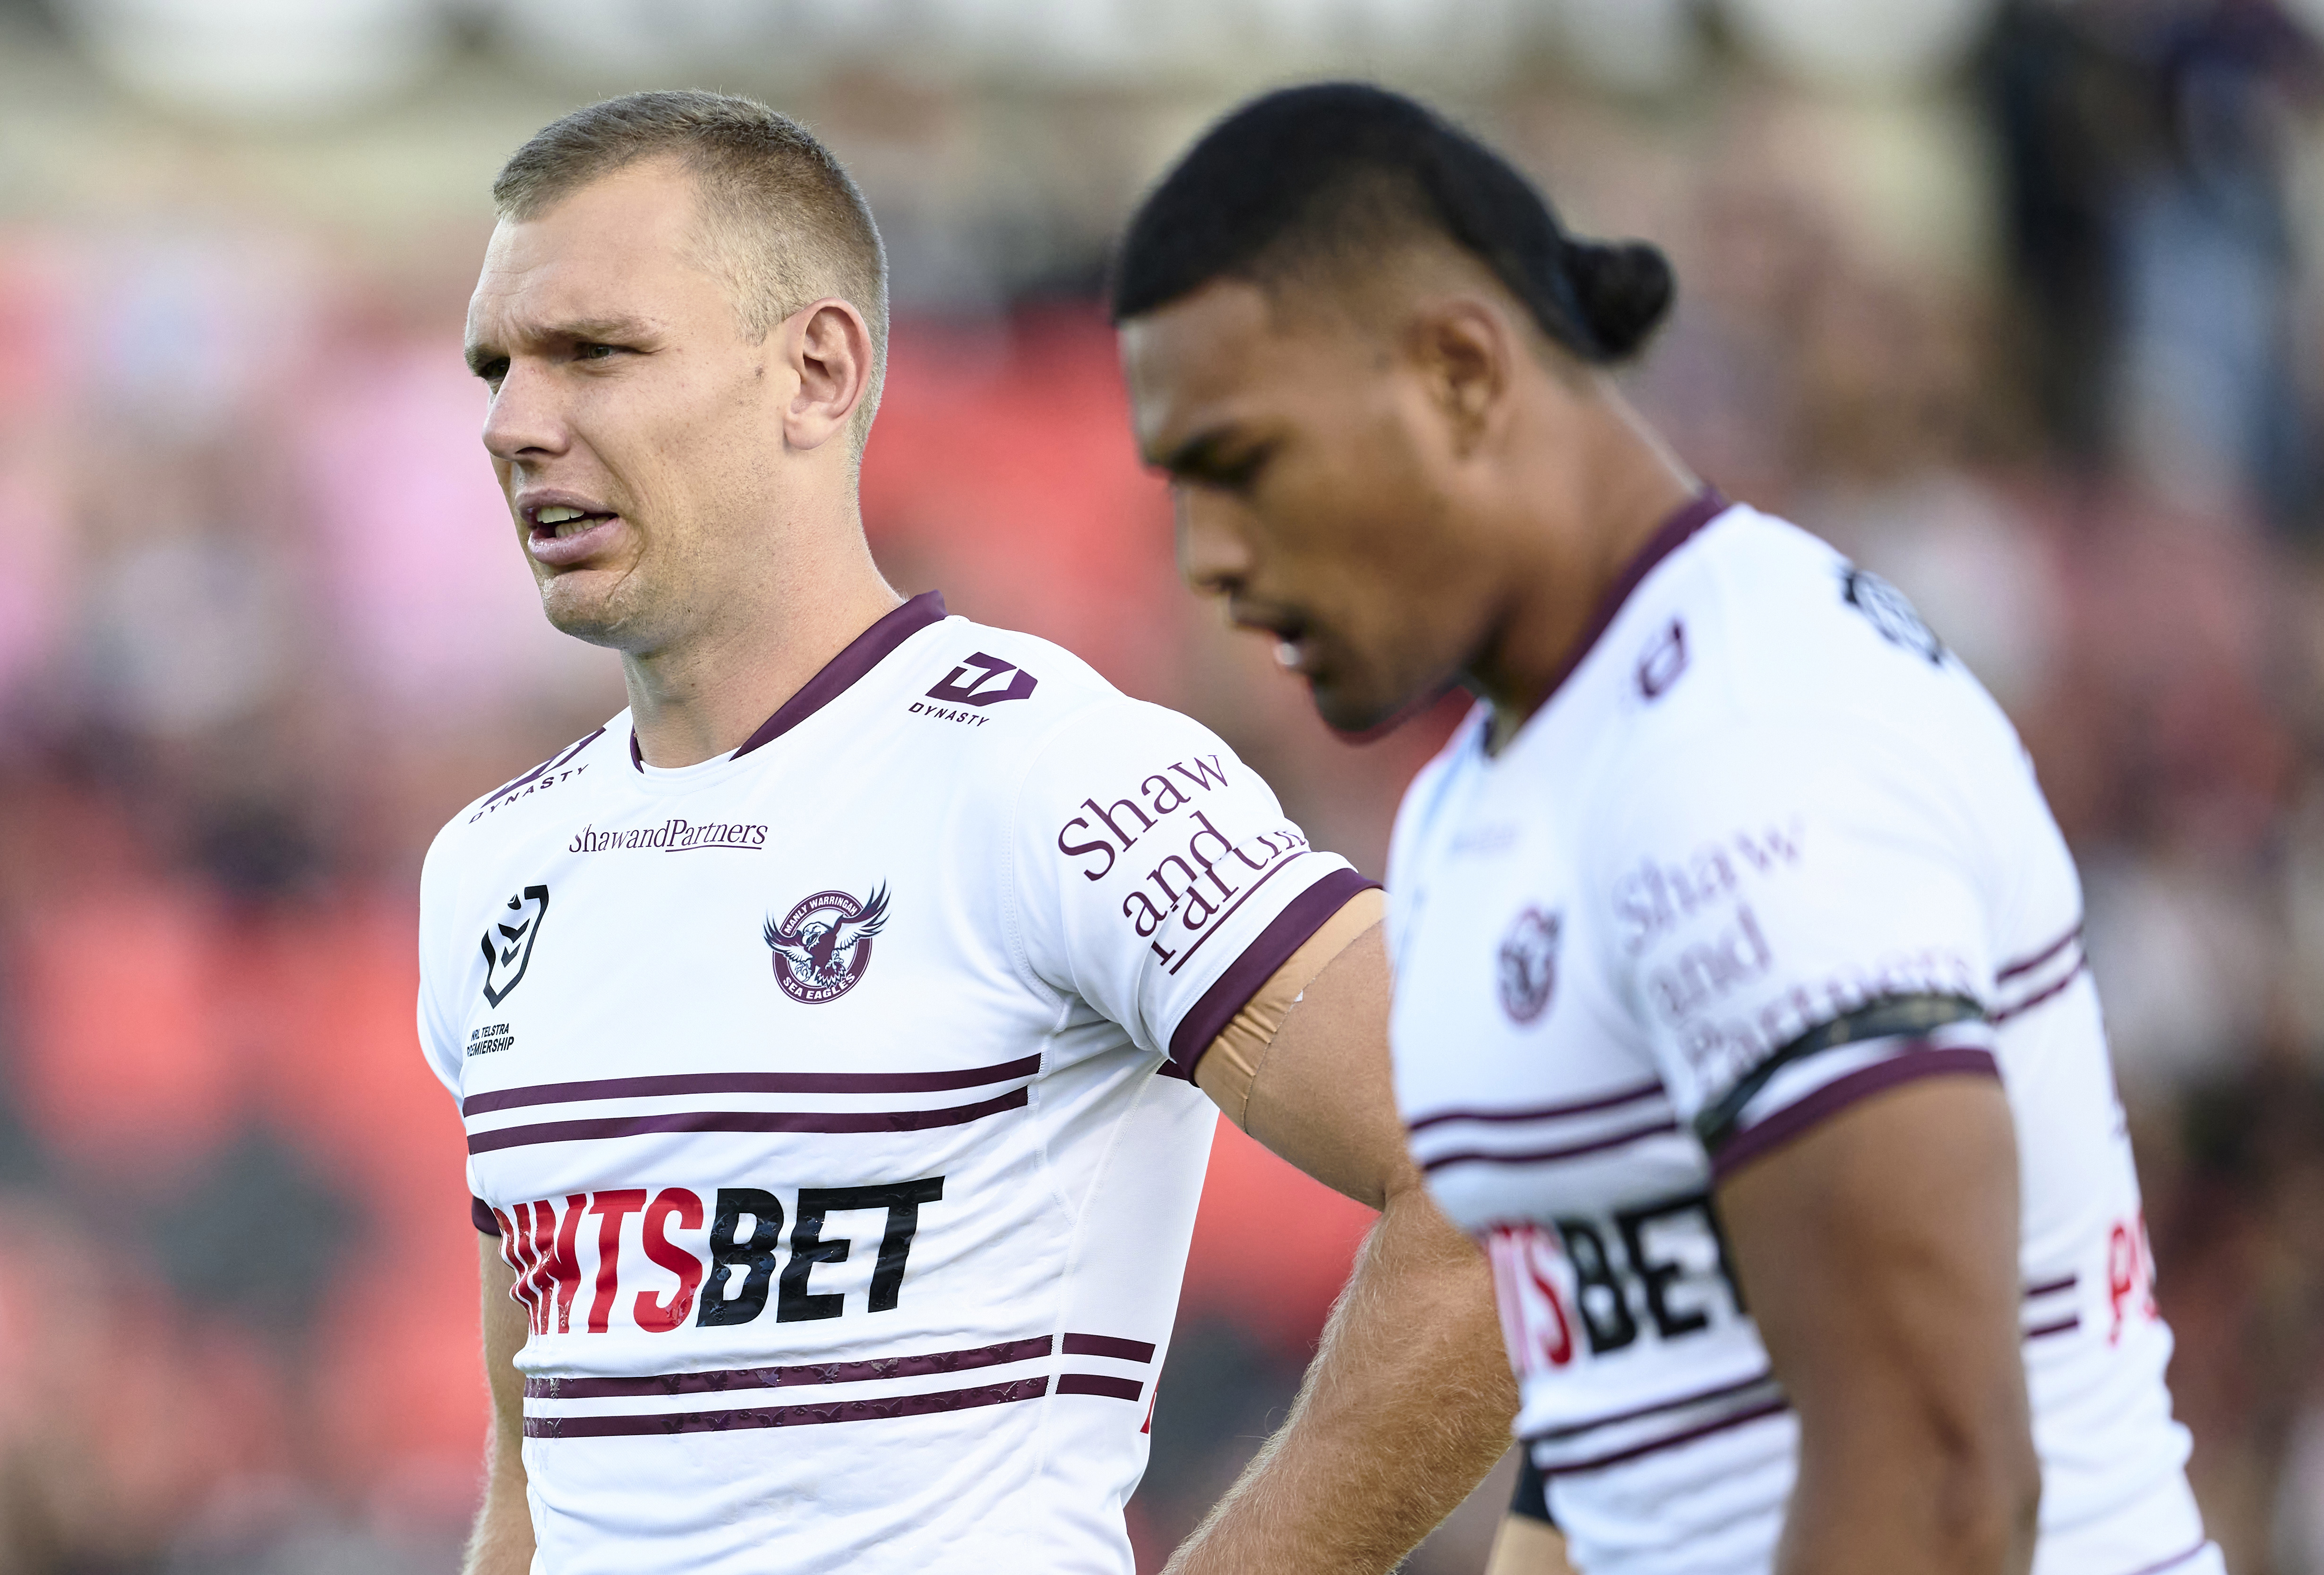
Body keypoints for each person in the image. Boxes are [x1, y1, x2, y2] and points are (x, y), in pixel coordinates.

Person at [1111, 82, 2220, 1575]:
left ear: (1457, 372)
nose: (1213, 564)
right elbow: (1606, 1440)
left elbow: (1943, 1484)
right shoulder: (1478, 803)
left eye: (1241, 466)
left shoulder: (1755, 749)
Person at [418, 90, 1516, 1575]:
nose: (513, 424)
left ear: (815, 372)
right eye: (497, 365)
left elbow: (1502, 1165)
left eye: (593, 352)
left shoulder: (1048, 779)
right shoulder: (492, 866)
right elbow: (539, 1470)